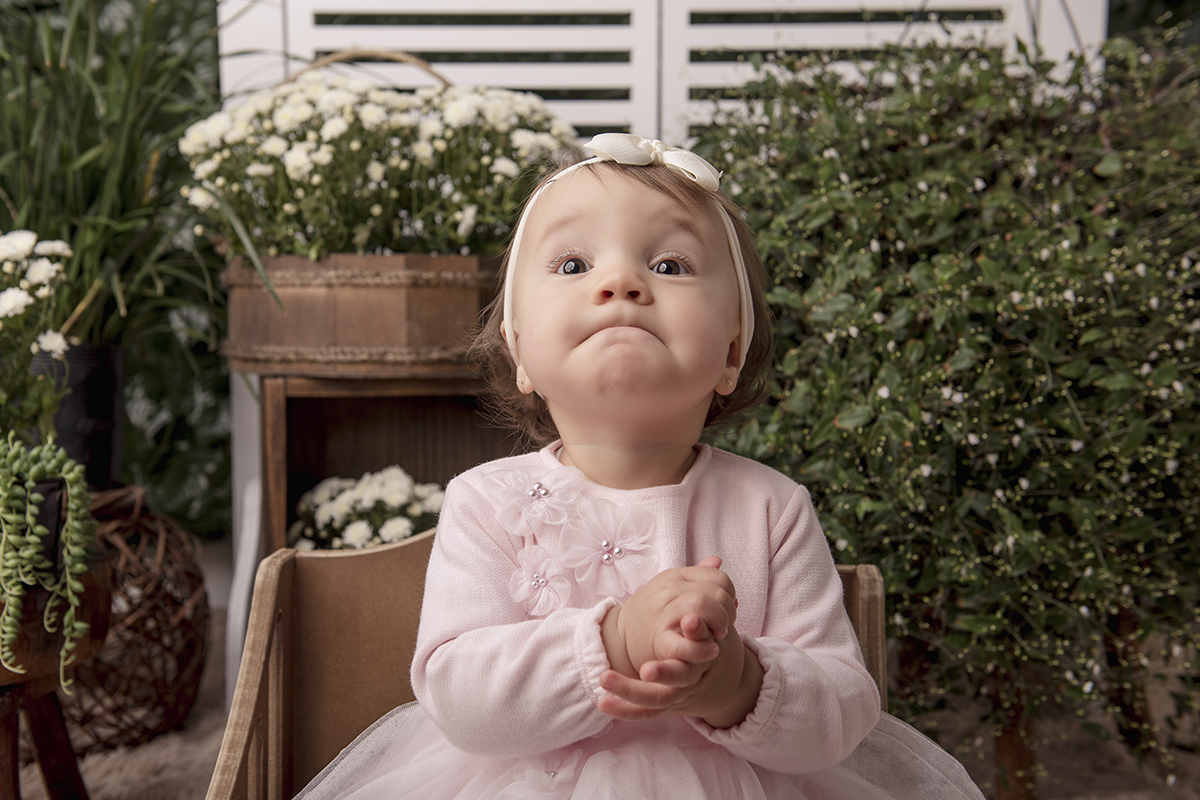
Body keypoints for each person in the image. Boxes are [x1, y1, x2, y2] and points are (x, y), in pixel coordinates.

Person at [296, 133, 985, 800]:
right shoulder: (485, 501)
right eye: (573, 266)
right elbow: (458, 696)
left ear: (730, 353)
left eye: (671, 265)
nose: (621, 281)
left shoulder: (770, 507)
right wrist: (613, 641)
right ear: (520, 351)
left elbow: (844, 708)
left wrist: (739, 684)